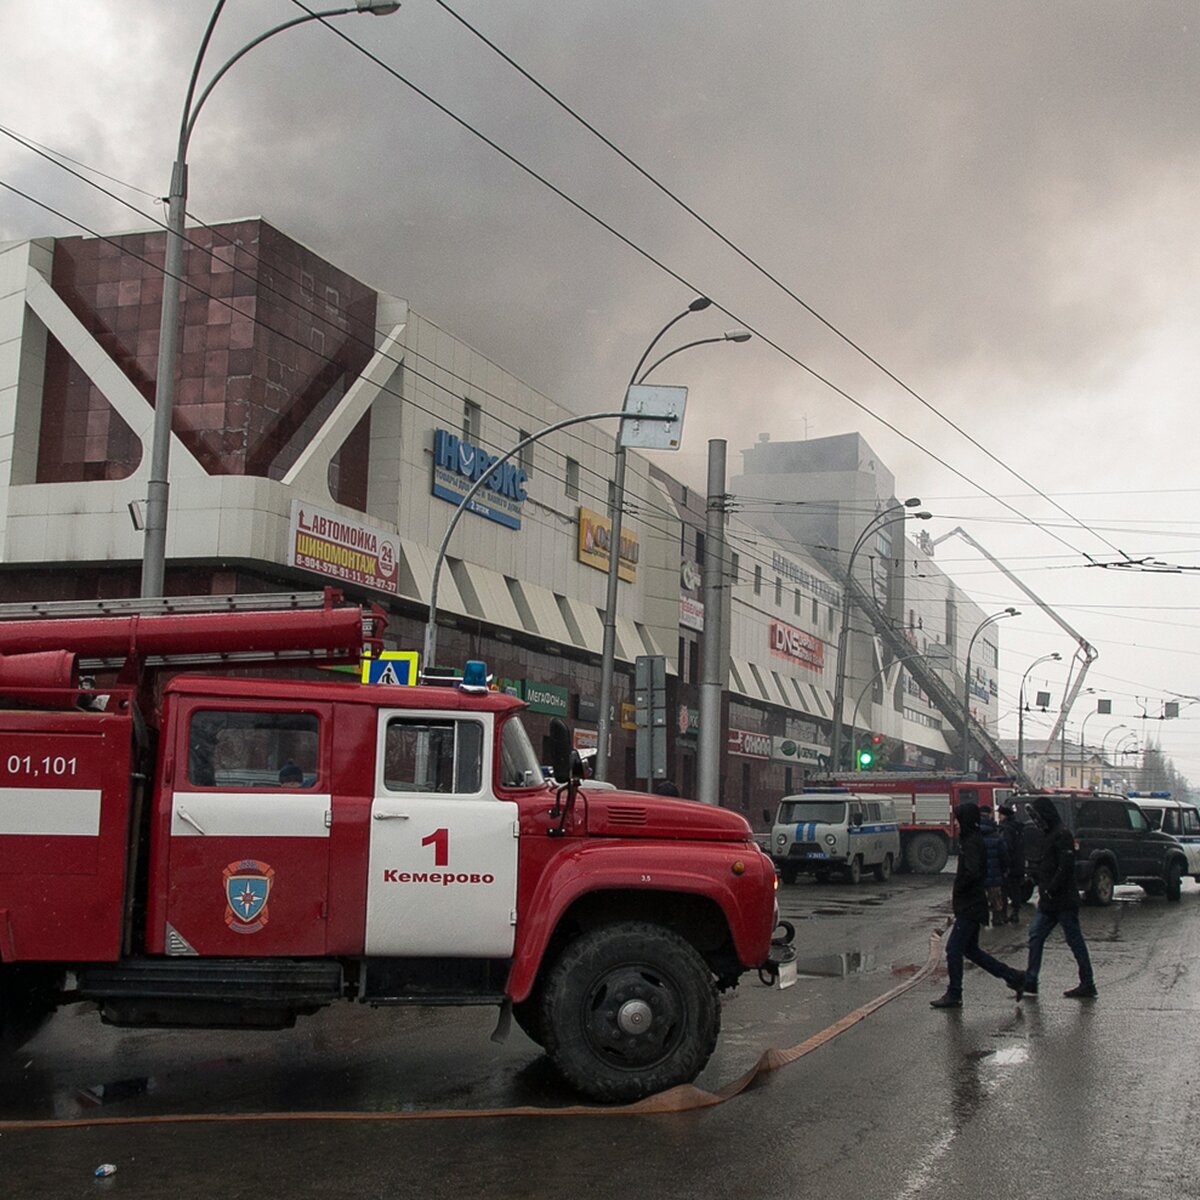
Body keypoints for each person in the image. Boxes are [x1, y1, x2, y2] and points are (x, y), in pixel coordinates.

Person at [930, 801, 1026, 1009]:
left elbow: (973, 872)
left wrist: (960, 889)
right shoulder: (971, 840)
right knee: (971, 951)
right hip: (971, 905)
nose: (955, 824)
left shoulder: (972, 843)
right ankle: (1014, 976)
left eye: (957, 820)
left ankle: (954, 993)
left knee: (954, 949)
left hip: (970, 906)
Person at [1021, 796, 1097, 999]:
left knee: (1074, 941)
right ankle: (1030, 981)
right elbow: (1049, 865)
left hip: (1062, 901)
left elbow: (1065, 867)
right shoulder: (1049, 834)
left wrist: (1050, 889)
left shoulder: (1061, 835)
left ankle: (1087, 983)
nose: (1036, 822)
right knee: (1036, 937)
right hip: (1050, 901)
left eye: (1037, 817)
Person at [997, 804, 1027, 924]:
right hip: (1019, 863)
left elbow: (1006, 847)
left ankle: (1004, 914)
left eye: (1000, 814)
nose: (999, 817)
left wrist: (1005, 864)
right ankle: (1015, 913)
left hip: (1009, 865)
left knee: (1004, 890)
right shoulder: (1018, 827)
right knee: (1015, 890)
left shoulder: (1006, 829)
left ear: (1004, 815)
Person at [979, 804, 1008, 925]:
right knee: (996, 899)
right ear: (990, 815)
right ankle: (997, 919)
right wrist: (1004, 870)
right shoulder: (996, 834)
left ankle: (982, 920)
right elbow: (1004, 855)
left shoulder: (974, 834)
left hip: (980, 875)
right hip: (995, 875)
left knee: (981, 899)